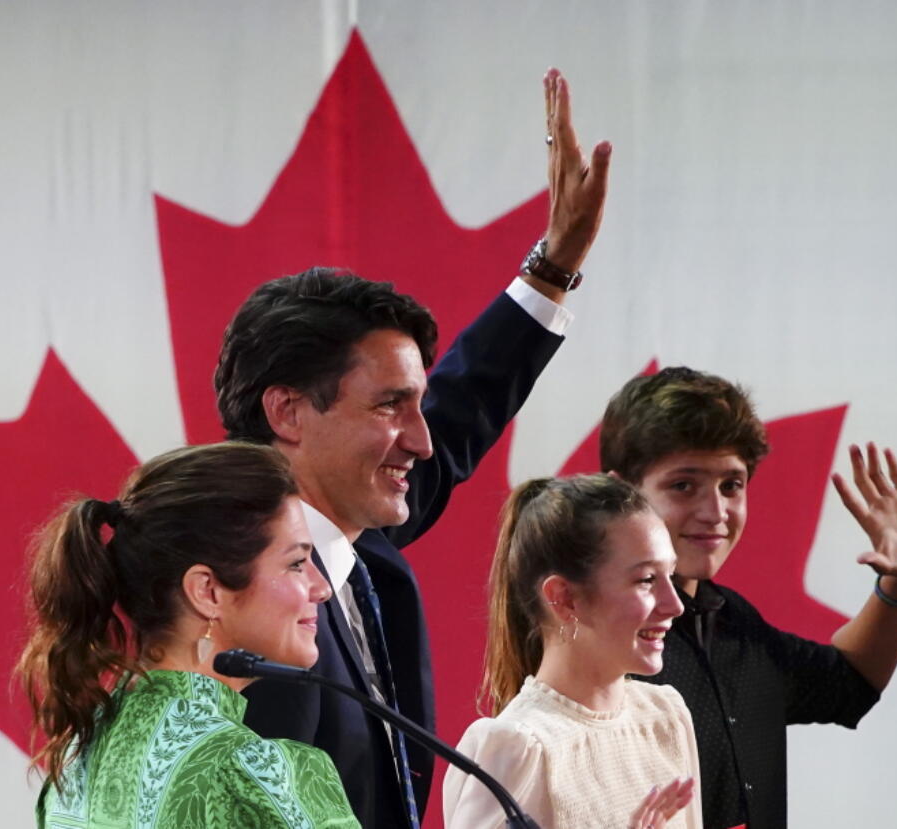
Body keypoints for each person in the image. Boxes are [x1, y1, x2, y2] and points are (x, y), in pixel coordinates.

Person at [214, 68, 611, 828]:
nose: (422, 440)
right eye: (391, 405)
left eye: (417, 403)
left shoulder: (356, 536)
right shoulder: (234, 603)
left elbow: (462, 409)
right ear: (289, 412)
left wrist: (553, 266)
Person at [599, 366, 897, 829]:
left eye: (731, 485)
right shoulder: (591, 639)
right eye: (683, 485)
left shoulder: (735, 621)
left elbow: (851, 681)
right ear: (621, 492)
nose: (715, 512)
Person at [18, 442, 358, 829]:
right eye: (297, 563)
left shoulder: (79, 750)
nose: (321, 588)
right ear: (207, 591)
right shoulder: (254, 773)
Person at [444, 474, 701, 829]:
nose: (675, 606)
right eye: (645, 580)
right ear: (563, 598)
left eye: (670, 576)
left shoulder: (666, 716)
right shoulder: (516, 748)